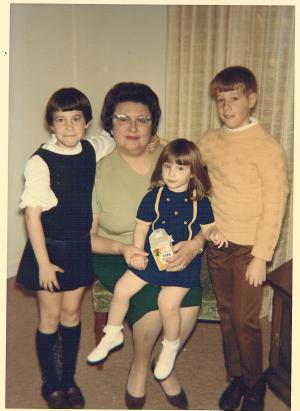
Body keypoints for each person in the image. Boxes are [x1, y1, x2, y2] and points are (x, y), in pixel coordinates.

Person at [88, 82, 207, 410]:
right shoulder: (97, 172)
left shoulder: (171, 157)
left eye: (142, 119)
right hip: (117, 252)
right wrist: (124, 250)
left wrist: (196, 245)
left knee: (189, 305)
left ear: (153, 124)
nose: (132, 127)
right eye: (123, 118)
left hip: (171, 250)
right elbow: (90, 236)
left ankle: (163, 363)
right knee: (153, 308)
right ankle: (141, 366)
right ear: (109, 123)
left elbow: (206, 206)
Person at [87, 138, 227, 381]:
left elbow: (208, 227)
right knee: (122, 288)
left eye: (180, 168)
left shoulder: (200, 201)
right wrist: (137, 252)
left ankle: (170, 347)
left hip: (181, 262)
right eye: (167, 167)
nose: (172, 173)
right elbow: (141, 227)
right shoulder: (153, 197)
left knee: (167, 303)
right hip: (154, 255)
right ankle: (113, 333)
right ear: (160, 168)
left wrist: (214, 233)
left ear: (193, 171)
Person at [16, 88, 115, 409]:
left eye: (76, 120)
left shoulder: (90, 148)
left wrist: (150, 139)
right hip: (48, 249)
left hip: (78, 248)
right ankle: (51, 382)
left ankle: (68, 378)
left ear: (86, 123)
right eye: (61, 121)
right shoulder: (40, 162)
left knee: (72, 313)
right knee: (51, 316)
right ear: (51, 125)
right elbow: (32, 216)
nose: (69, 128)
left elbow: (114, 138)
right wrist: (43, 264)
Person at [197, 66, 289, 411]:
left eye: (234, 99)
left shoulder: (267, 148)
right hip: (219, 243)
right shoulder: (210, 140)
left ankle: (254, 382)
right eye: (220, 101)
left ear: (251, 99)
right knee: (226, 312)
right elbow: (194, 171)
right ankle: (236, 375)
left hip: (250, 248)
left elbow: (275, 205)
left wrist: (262, 256)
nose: (226, 107)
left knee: (245, 320)